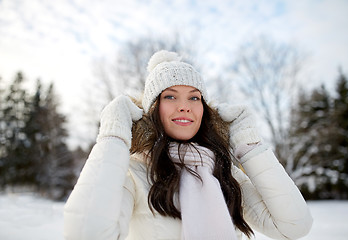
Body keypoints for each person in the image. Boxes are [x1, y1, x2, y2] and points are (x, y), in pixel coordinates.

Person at [64, 50, 313, 240]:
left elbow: (294, 225)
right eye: (170, 96)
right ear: (152, 110)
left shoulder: (225, 173)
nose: (185, 106)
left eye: (194, 97)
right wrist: (113, 136)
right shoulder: (134, 170)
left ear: (204, 110)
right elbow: (86, 233)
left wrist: (250, 145)